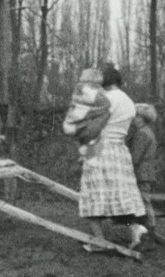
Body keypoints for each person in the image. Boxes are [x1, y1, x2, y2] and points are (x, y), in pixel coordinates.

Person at [77, 66, 147, 252]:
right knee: (121, 194)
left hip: (101, 149)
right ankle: (135, 229)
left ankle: (99, 241)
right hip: (119, 151)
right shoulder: (129, 102)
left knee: (92, 195)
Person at [126, 103, 159, 250]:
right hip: (145, 172)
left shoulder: (141, 134)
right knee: (144, 202)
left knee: (144, 203)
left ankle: (149, 236)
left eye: (135, 115)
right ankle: (145, 234)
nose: (133, 118)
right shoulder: (148, 132)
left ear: (141, 118)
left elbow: (135, 157)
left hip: (141, 173)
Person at [62, 68, 111, 158]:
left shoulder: (78, 89)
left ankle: (82, 148)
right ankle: (86, 145)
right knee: (107, 114)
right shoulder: (95, 92)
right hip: (82, 129)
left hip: (69, 124)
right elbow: (106, 105)